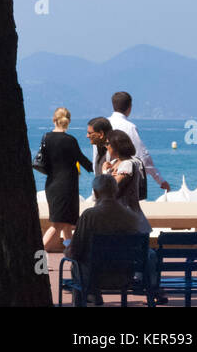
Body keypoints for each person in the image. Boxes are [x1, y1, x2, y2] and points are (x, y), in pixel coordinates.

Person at [69, 173, 145, 306]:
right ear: (116, 191)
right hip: (124, 276)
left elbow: (76, 249)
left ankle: (87, 300)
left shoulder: (90, 216)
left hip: (94, 277)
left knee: (75, 263)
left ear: (96, 193)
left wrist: (67, 251)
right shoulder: (131, 217)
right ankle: (95, 297)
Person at [39, 108, 93, 252]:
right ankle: (37, 260)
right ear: (68, 120)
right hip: (67, 186)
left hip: (52, 184)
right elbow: (82, 160)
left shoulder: (46, 138)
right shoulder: (70, 140)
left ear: (54, 120)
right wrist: (100, 170)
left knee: (66, 223)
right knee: (57, 225)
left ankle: (72, 254)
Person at [107, 92, 170, 193]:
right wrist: (160, 180)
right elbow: (142, 156)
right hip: (122, 179)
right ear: (130, 107)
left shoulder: (102, 124)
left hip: (103, 177)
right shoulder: (129, 127)